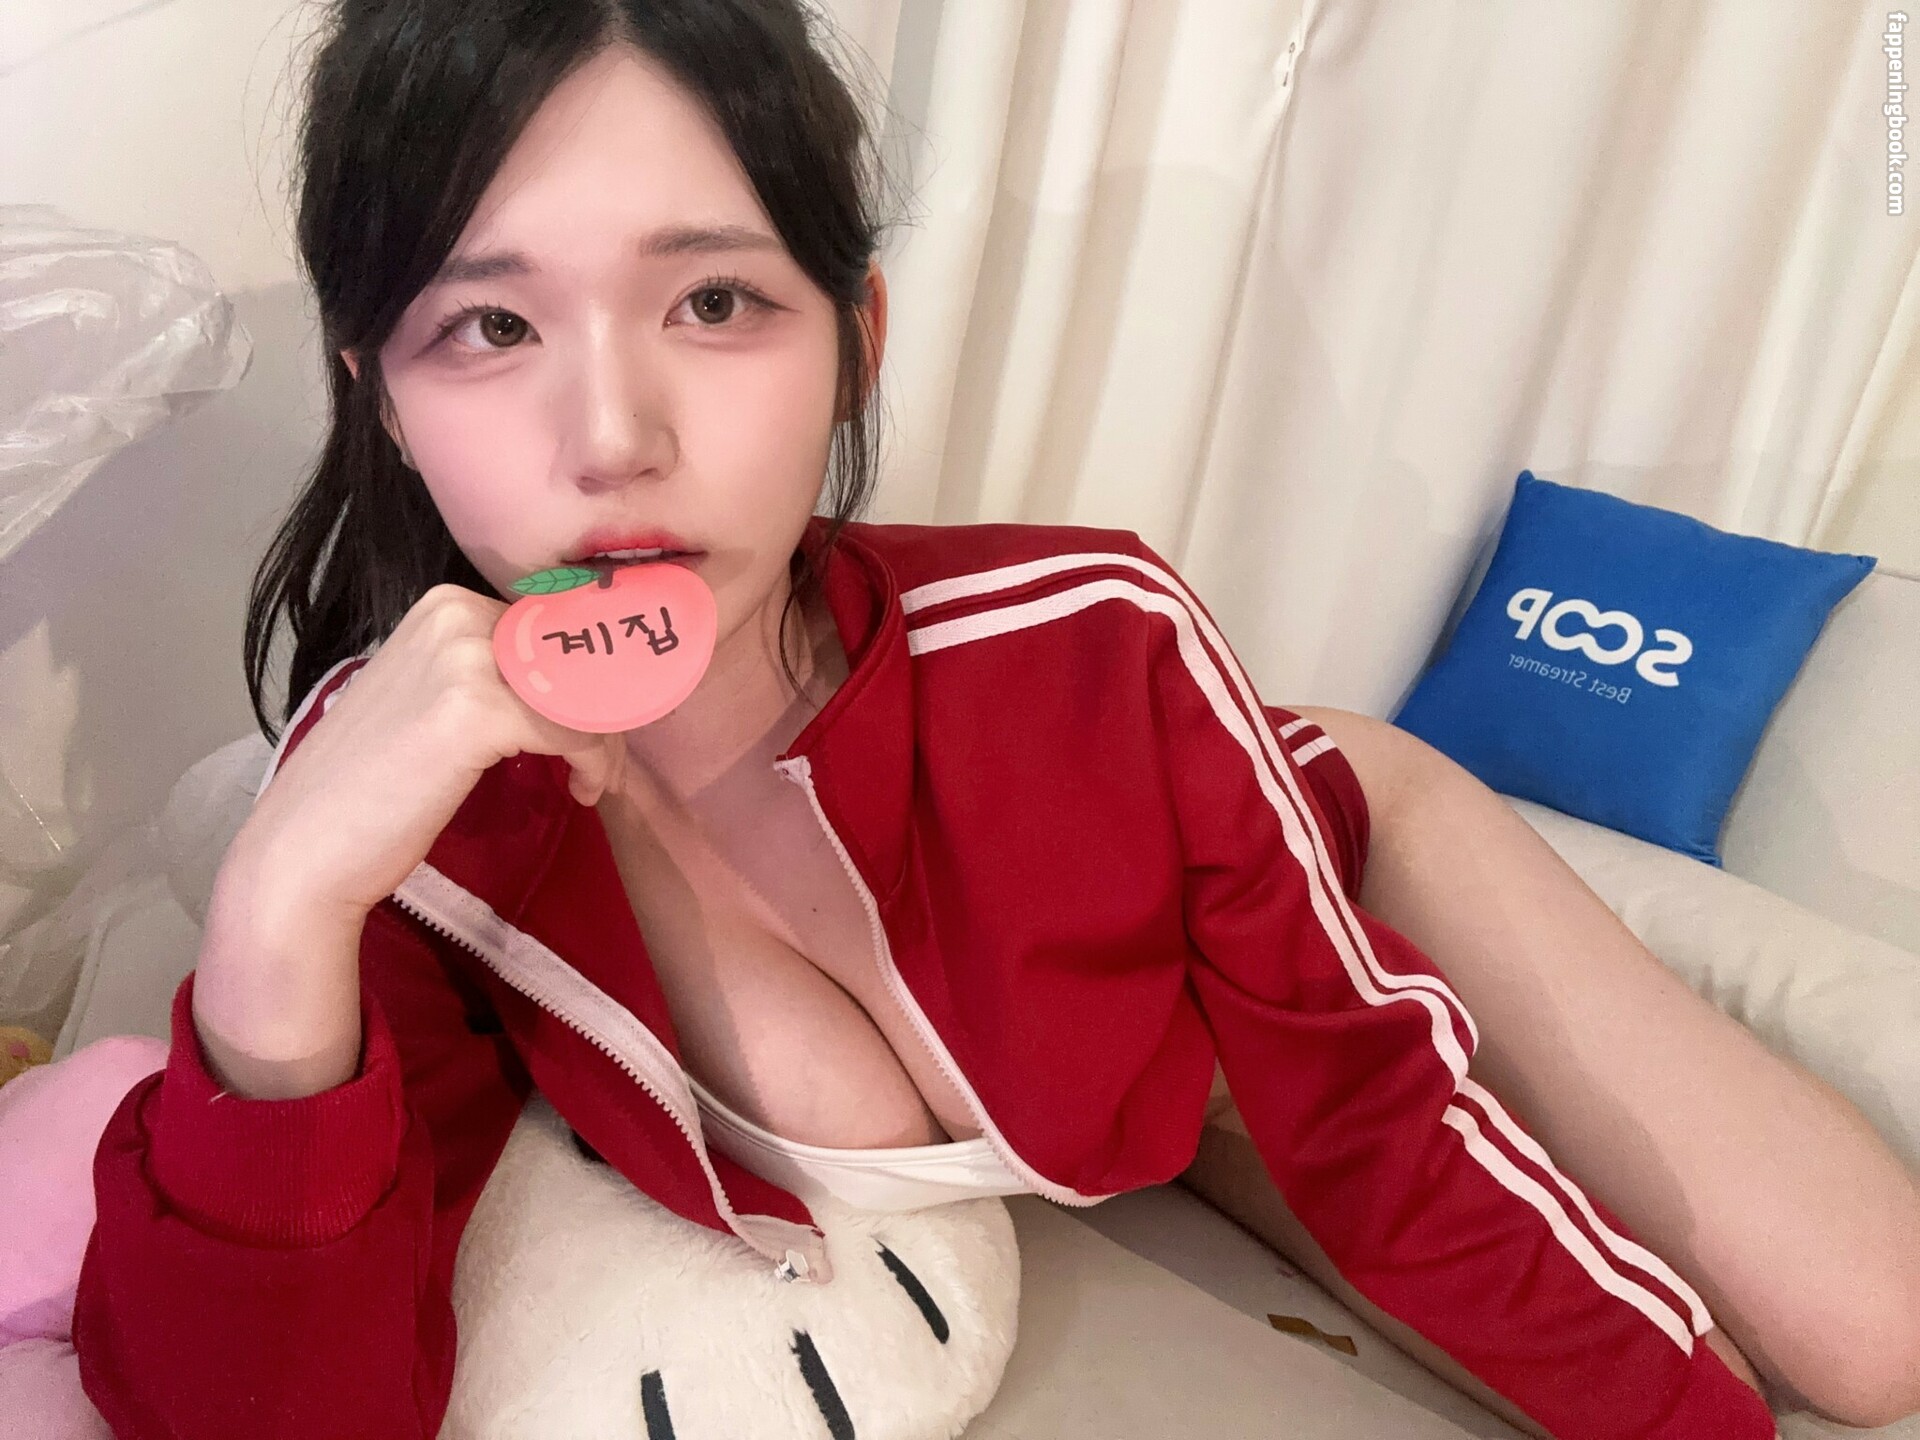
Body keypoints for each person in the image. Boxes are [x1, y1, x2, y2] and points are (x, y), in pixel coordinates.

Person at [68, 2, 1920, 1436]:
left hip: (1314, 835)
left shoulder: (1097, 646)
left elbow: (1382, 1125)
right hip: (1141, 1079)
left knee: (1874, 1333)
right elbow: (260, 1409)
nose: (612, 436)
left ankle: (1403, 796)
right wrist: (276, 920)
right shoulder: (418, 821)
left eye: (713, 299)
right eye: (490, 328)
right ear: (381, 400)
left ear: (854, 344)